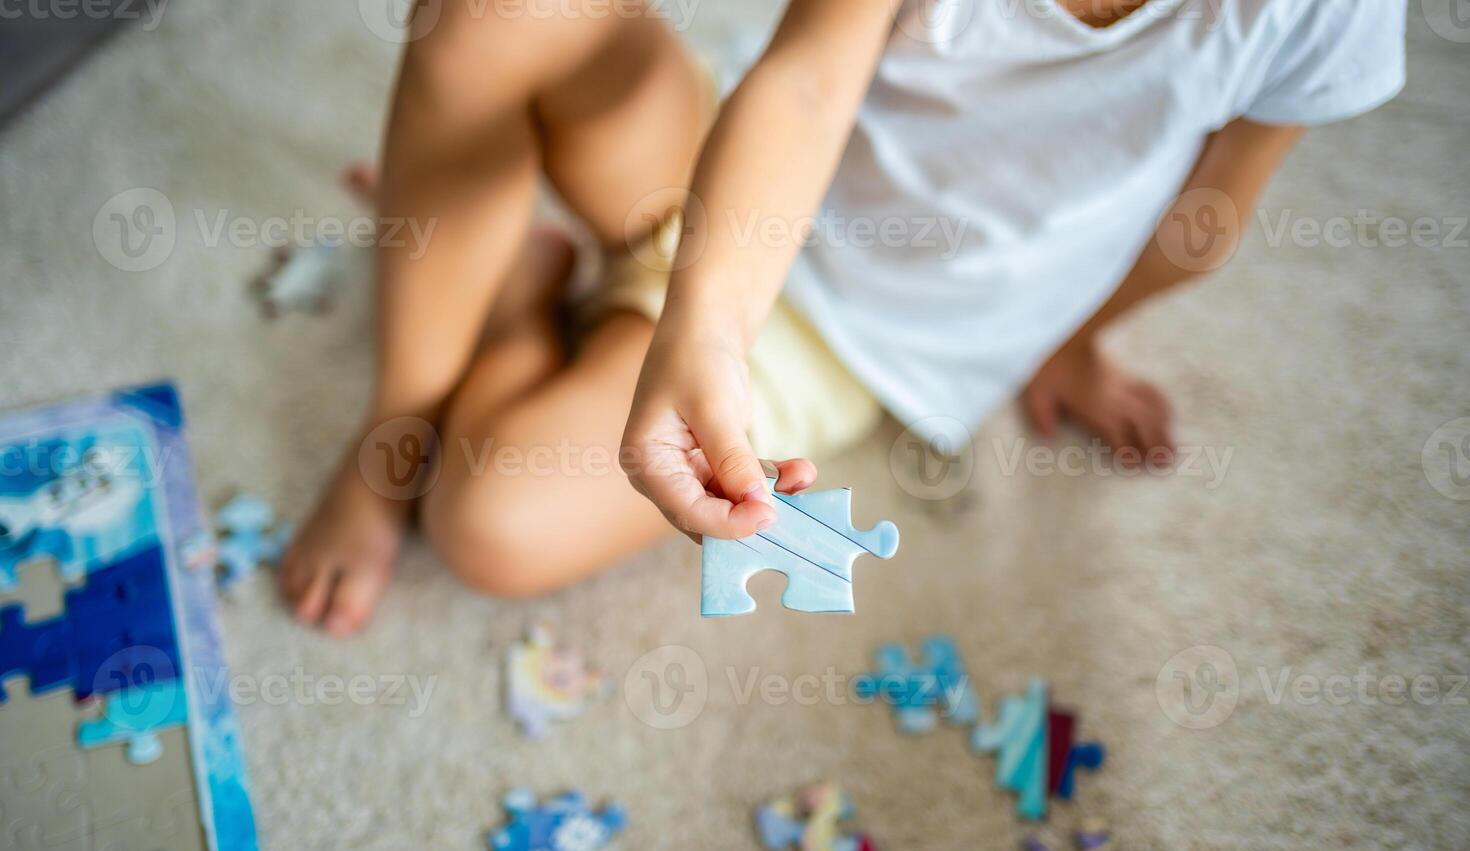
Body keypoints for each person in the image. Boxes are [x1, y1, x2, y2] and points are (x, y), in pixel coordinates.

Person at [280, 0, 1405, 635]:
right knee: (493, 14)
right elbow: (805, 83)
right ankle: (397, 423)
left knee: (491, 526)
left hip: (840, 330)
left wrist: (1065, 338)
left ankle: (526, 296)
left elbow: (1202, 223)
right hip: (720, 169)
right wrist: (699, 328)